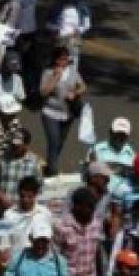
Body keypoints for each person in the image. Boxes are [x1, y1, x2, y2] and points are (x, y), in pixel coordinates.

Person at [38, 45, 85, 177]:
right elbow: (43, 92)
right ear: (56, 60)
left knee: (59, 143)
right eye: (62, 59)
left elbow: (82, 86)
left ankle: (50, 166)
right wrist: (55, 77)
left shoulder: (72, 71)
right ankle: (53, 171)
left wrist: (75, 93)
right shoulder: (48, 72)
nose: (65, 62)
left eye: (66, 59)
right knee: (53, 141)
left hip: (67, 114)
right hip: (50, 113)